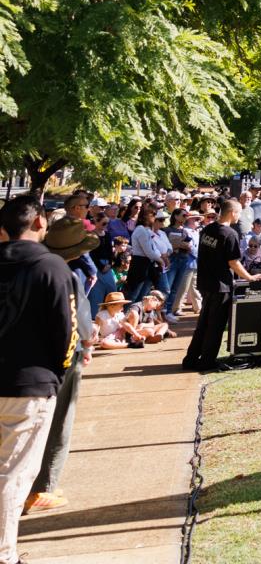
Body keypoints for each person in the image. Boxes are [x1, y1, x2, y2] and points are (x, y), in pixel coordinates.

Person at [0, 195, 79, 564]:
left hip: (24, 381)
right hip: (29, 386)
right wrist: (56, 376)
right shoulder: (53, 268)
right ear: (40, 224)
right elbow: (67, 333)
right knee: (13, 475)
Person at [25, 216, 95, 514]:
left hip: (29, 357)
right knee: (59, 422)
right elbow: (80, 320)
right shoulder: (67, 275)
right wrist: (88, 345)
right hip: (66, 355)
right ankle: (44, 487)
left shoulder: (31, 269)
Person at [181, 198, 255, 372]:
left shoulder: (208, 229)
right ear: (233, 213)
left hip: (205, 283)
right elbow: (234, 262)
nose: (239, 216)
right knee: (215, 326)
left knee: (203, 323)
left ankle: (191, 359)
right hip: (220, 286)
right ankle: (207, 361)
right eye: (238, 213)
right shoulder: (229, 234)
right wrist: (249, 277)